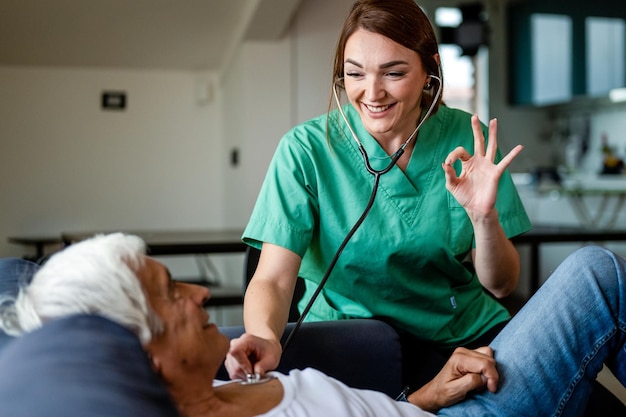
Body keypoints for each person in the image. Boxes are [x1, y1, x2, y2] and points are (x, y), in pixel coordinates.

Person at [227, 0, 531, 390]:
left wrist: (484, 217)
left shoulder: (468, 140)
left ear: (429, 72)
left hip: (461, 334)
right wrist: (265, 337)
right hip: (351, 343)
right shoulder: (305, 151)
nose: (372, 93)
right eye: (355, 73)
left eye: (394, 73)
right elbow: (271, 278)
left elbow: (503, 285)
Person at [1, 233, 625, 417]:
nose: (197, 291)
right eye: (170, 294)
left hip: (440, 401)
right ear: (148, 353)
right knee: (599, 274)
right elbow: (270, 279)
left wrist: (427, 396)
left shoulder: (229, 388)